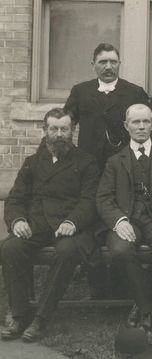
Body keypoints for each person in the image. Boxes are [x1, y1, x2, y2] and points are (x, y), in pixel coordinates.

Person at [0, 108, 99, 342]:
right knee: (10, 247)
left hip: (71, 227)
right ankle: (18, 312)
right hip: (37, 225)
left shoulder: (87, 162)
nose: (59, 134)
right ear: (45, 131)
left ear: (73, 131)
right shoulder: (33, 162)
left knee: (66, 252)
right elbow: (16, 198)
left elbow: (90, 201)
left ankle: (41, 318)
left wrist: (72, 221)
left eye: (64, 129)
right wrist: (18, 221)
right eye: (53, 129)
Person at [96, 104, 152, 330]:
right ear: (126, 126)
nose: (141, 126)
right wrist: (119, 221)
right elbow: (103, 198)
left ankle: (141, 304)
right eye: (136, 122)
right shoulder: (114, 161)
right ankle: (148, 308)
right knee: (121, 250)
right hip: (127, 220)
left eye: (146, 122)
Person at [64, 43, 149, 172]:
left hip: (124, 165)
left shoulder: (135, 93)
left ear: (119, 64)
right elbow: (64, 123)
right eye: (103, 62)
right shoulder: (80, 91)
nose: (108, 67)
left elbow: (147, 128)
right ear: (93, 65)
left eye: (113, 62)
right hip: (88, 164)